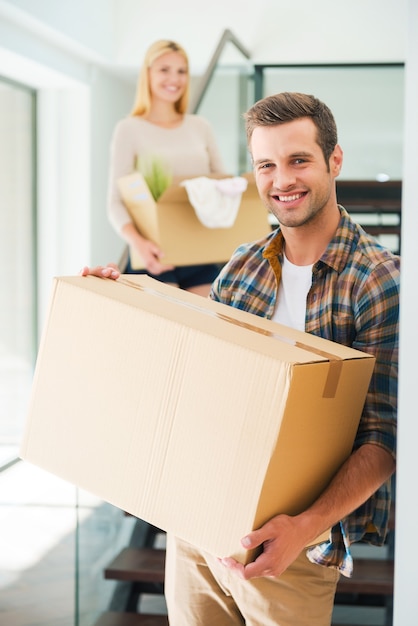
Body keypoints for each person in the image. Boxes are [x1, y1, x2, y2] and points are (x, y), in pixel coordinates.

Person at [82, 92, 399, 626]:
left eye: (299, 160)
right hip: (198, 528)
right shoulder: (243, 266)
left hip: (291, 548)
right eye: (266, 165)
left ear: (335, 160)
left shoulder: (379, 281)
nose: (282, 181)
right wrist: (123, 303)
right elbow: (200, 378)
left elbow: (384, 438)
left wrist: (302, 528)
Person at [107, 39, 226, 296]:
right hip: (152, 253)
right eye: (164, 69)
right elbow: (115, 202)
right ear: (147, 73)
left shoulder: (200, 126)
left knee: (208, 328)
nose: (175, 78)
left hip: (198, 249)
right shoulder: (129, 129)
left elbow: (223, 183)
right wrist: (138, 244)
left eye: (181, 71)